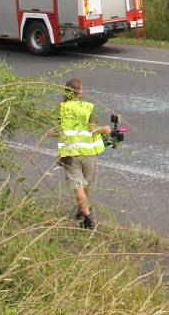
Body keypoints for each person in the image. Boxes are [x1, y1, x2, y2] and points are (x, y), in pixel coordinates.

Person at [53, 78, 110, 229]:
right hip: (88, 151)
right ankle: (85, 213)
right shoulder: (88, 107)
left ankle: (85, 214)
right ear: (80, 92)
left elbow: (54, 131)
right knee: (86, 182)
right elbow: (92, 129)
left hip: (70, 153)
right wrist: (104, 129)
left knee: (77, 184)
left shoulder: (60, 108)